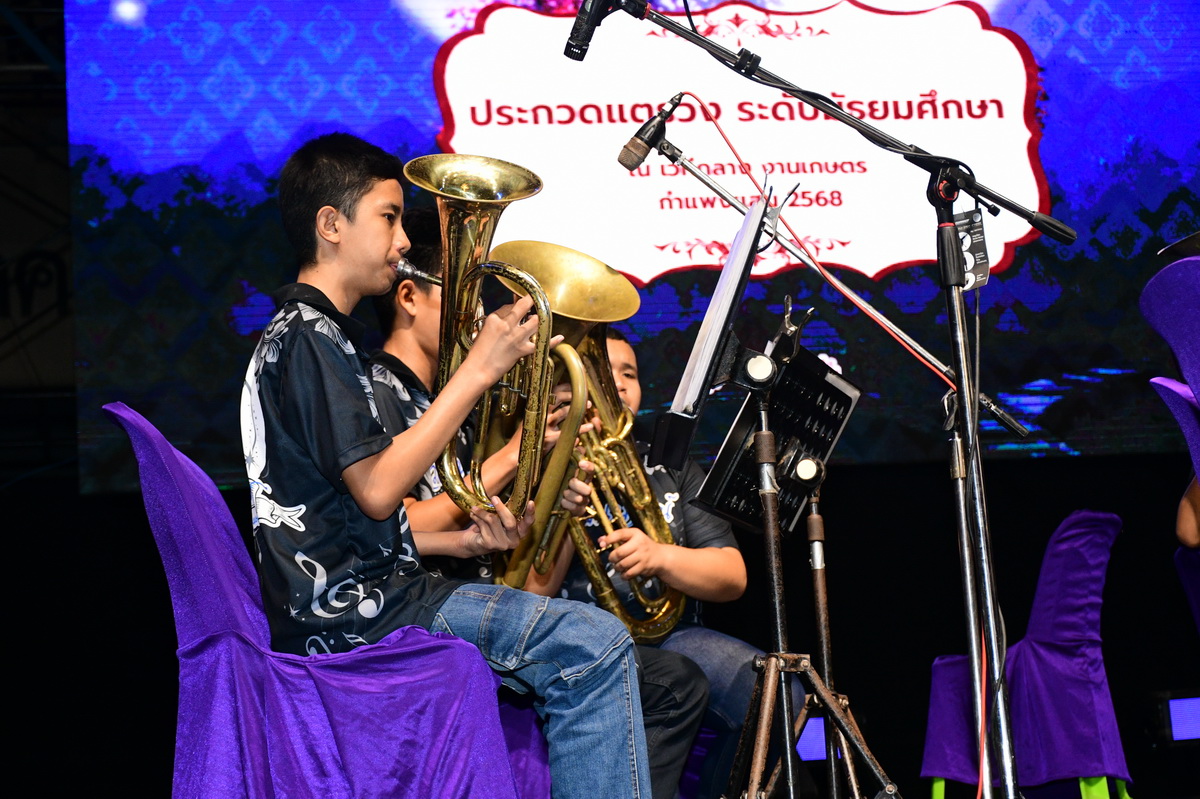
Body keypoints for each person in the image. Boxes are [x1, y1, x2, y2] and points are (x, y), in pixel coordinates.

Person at [240, 132, 651, 799]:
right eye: (389, 217)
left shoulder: (312, 336)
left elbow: (337, 517)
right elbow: (379, 490)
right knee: (592, 644)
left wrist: (460, 542)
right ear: (331, 225)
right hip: (363, 614)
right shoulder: (310, 337)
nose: (403, 240)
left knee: (587, 639)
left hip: (374, 596)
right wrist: (479, 370)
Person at [369, 207, 708, 799]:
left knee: (673, 678)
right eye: (466, 300)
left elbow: (530, 585)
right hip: (419, 610)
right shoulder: (378, 390)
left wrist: (556, 506)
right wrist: (513, 455)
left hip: (484, 603)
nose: (482, 319)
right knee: (638, 668)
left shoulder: (461, 406)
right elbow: (385, 521)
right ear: (409, 297)